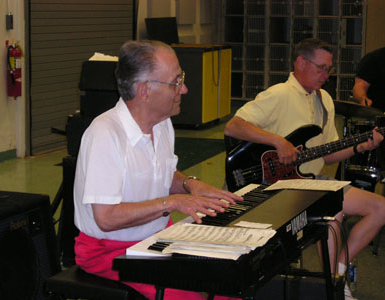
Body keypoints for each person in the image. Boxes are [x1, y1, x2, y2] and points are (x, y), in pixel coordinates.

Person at [73, 40, 243, 300]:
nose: (184, 89)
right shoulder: (105, 133)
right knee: (190, 296)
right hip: (108, 251)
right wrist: (172, 202)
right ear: (144, 91)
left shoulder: (162, 124)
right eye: (176, 82)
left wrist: (190, 185)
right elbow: (106, 219)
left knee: (228, 281)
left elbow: (160, 174)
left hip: (156, 237)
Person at [224, 38, 385, 300]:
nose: (326, 75)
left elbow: (330, 155)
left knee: (380, 207)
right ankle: (333, 286)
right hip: (277, 185)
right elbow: (233, 126)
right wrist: (278, 141)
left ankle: (337, 274)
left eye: (328, 69)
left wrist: (361, 147)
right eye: (321, 68)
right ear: (300, 63)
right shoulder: (278, 95)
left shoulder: (325, 101)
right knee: (334, 212)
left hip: (309, 181)